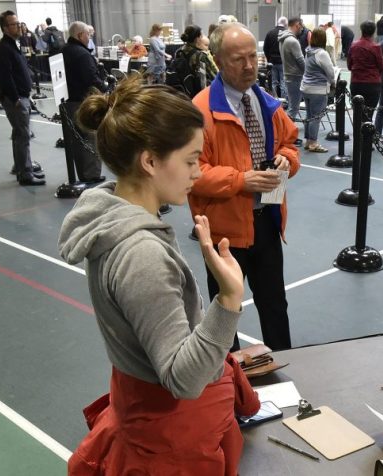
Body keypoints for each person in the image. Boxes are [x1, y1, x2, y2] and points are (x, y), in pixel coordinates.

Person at [59, 75, 260, 475]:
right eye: (189, 160)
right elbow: (183, 379)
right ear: (150, 161)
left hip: (146, 417)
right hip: (167, 446)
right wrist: (229, 299)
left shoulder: (111, 217)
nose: (198, 173)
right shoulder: (141, 255)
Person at [188, 23, 300, 352]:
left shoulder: (266, 103)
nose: (250, 65)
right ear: (218, 60)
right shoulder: (201, 110)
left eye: (254, 56)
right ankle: (229, 384)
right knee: (226, 314)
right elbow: (193, 173)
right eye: (239, 59)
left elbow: (291, 144)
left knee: (276, 307)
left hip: (267, 221)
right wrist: (242, 180)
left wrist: (285, 160)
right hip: (224, 234)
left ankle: (289, 373)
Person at [0, 10, 45, 186]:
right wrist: (15, 98)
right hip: (15, 99)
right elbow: (4, 76)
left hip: (21, 96)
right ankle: (26, 173)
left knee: (19, 134)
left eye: (18, 22)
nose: (18, 26)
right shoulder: (4, 48)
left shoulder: (14, 44)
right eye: (14, 24)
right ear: (5, 28)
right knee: (23, 135)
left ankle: (21, 167)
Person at [61, 21, 106, 183]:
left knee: (77, 138)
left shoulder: (64, 51)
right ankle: (92, 174)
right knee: (90, 136)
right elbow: (91, 78)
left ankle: (83, 173)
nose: (90, 37)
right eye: (88, 34)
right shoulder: (82, 54)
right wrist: (105, 88)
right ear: (80, 35)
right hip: (82, 101)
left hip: (68, 101)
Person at [300, 28, 335, 153]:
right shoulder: (322, 53)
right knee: (316, 117)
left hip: (306, 88)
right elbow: (330, 71)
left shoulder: (308, 51)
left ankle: (308, 141)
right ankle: (313, 143)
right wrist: (333, 82)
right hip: (317, 89)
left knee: (309, 116)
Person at [347, 20, 383, 122]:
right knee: (368, 115)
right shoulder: (376, 47)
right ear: (374, 31)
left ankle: (357, 137)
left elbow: (349, 66)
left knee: (357, 113)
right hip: (372, 85)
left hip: (356, 83)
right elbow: (382, 66)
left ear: (361, 30)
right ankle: (366, 137)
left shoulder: (353, 45)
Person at [279, 17, 305, 122]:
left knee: (292, 107)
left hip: (289, 75)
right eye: (301, 26)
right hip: (295, 77)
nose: (302, 29)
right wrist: (308, 73)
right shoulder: (293, 41)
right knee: (293, 108)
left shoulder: (283, 38)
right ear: (297, 25)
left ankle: (288, 132)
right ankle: (288, 134)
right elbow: (301, 60)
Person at [263, 17, 287, 99]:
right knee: (283, 83)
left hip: (272, 62)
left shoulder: (270, 33)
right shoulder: (287, 34)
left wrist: (269, 59)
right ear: (285, 24)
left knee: (273, 83)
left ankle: (274, 100)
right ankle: (284, 103)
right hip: (283, 62)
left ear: (278, 23)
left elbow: (265, 48)